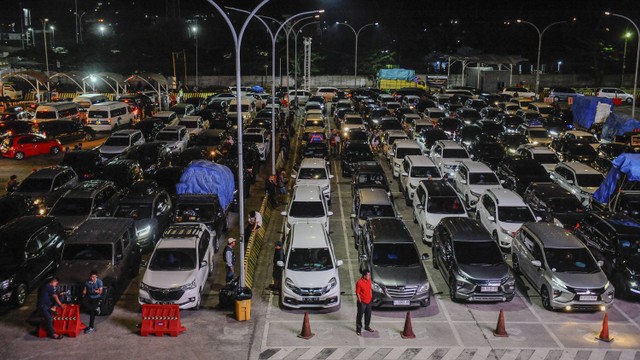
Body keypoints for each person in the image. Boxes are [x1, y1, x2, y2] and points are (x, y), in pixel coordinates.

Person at [355, 269, 374, 336]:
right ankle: (358, 330)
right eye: (368, 275)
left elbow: (370, 289)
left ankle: (367, 326)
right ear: (364, 276)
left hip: (369, 301)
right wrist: (360, 301)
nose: (369, 276)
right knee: (360, 316)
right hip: (362, 302)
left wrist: (371, 296)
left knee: (368, 315)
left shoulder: (369, 281)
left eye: (369, 275)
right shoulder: (359, 282)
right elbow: (357, 293)